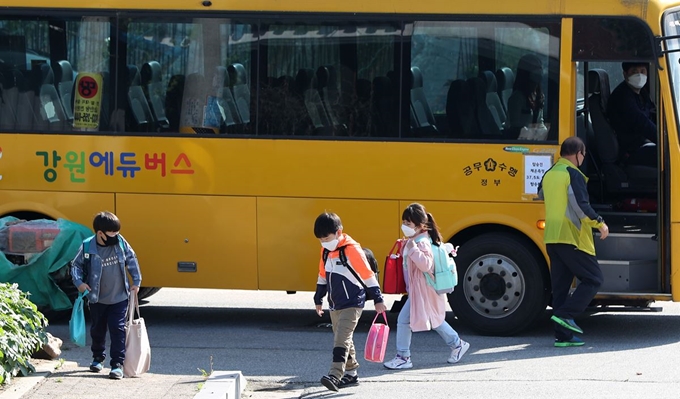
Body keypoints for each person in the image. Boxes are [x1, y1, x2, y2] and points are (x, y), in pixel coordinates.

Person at [537, 137, 609, 347]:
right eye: (583, 155)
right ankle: (567, 314)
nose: (583, 159)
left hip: (552, 236)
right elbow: (580, 206)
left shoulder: (550, 174)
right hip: (571, 237)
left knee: (560, 287)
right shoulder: (573, 174)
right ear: (578, 153)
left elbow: (540, 194)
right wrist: (600, 223)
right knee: (593, 279)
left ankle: (563, 336)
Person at [383, 203, 469, 370]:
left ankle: (404, 356)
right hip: (420, 290)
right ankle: (456, 345)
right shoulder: (417, 239)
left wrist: (412, 248)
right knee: (430, 319)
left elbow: (426, 265)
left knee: (413, 320)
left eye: (408, 223)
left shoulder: (420, 242)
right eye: (404, 222)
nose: (404, 226)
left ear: (420, 225)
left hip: (423, 290)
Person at [313, 212, 387, 392]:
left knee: (341, 338)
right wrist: (318, 298)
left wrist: (378, 299)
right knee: (345, 338)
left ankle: (335, 375)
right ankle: (352, 374)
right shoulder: (325, 251)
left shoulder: (352, 249)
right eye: (320, 239)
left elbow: (368, 275)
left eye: (326, 237)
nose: (323, 242)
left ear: (338, 232)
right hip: (335, 303)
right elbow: (323, 276)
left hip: (353, 303)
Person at [71, 211, 142, 379]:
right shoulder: (88, 246)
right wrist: (80, 284)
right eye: (112, 234)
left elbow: (132, 259)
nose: (116, 237)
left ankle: (117, 364)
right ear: (100, 233)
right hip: (96, 298)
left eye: (117, 233)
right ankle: (97, 358)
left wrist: (136, 281)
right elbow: (75, 266)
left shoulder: (120, 243)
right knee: (98, 329)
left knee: (117, 329)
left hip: (119, 297)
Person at [606, 62, 657, 168]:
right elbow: (642, 122)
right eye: (634, 72)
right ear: (625, 74)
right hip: (630, 151)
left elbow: (652, 113)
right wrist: (664, 140)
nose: (639, 75)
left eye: (642, 71)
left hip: (642, 143)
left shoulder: (642, 92)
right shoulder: (622, 97)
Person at [506, 54, 546, 139]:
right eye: (535, 69)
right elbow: (514, 127)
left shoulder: (539, 95)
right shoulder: (517, 98)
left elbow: (540, 123)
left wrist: (545, 133)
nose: (540, 72)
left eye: (540, 68)